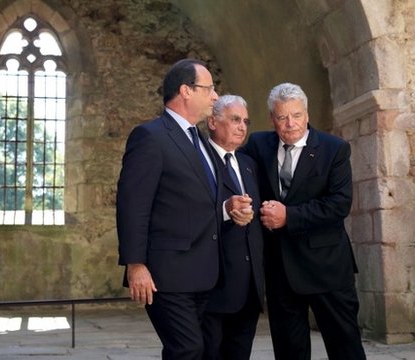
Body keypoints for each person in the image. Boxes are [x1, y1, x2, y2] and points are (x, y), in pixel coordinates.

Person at [240, 83, 366, 360]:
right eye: (282, 117)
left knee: (345, 346)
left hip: (327, 265)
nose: (290, 124)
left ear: (306, 115)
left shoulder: (334, 149)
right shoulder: (258, 146)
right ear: (272, 118)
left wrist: (289, 216)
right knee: (289, 349)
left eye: (296, 115)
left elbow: (339, 204)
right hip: (280, 267)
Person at [116, 58, 224, 360]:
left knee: (201, 350)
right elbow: (132, 205)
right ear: (186, 91)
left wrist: (229, 208)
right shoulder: (150, 137)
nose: (215, 96)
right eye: (210, 89)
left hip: (204, 272)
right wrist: (135, 264)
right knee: (186, 349)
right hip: (167, 273)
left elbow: (200, 200)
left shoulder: (200, 139)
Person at [202, 95, 265, 360]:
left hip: (249, 286)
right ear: (213, 122)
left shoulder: (249, 165)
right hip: (214, 284)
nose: (242, 127)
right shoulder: (199, 161)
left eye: (245, 121)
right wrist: (226, 211)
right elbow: (190, 214)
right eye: (235, 120)